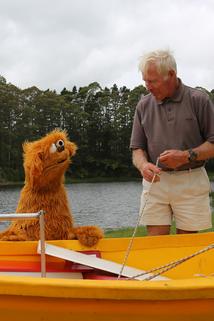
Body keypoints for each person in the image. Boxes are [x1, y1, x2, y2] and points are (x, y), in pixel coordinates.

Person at [130, 49, 214, 236]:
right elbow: (137, 148)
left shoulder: (198, 100)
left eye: (152, 81)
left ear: (171, 75)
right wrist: (143, 165)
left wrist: (186, 156)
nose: (147, 87)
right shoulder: (143, 105)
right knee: (155, 245)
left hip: (191, 180)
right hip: (155, 183)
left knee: (186, 247)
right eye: (145, 81)